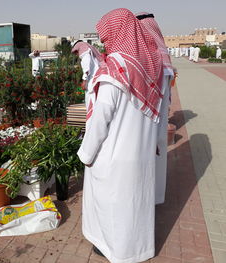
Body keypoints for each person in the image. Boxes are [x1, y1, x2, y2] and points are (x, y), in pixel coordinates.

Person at [77, 8, 163, 263]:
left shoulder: (114, 70)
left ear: (116, 33)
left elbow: (101, 119)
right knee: (135, 205)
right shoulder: (151, 67)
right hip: (141, 152)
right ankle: (138, 250)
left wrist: (87, 154)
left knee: (114, 207)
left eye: (106, 36)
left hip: (114, 155)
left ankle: (112, 249)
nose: (105, 42)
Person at [137, 12, 175, 205]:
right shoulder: (165, 56)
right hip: (159, 118)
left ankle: (149, 198)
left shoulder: (152, 58)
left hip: (150, 118)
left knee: (151, 154)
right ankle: (156, 196)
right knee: (158, 155)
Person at [71, 41, 103, 110]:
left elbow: (87, 69)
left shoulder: (86, 55)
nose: (76, 54)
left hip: (92, 81)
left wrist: (84, 81)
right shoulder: (92, 55)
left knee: (91, 102)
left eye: (76, 52)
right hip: (97, 79)